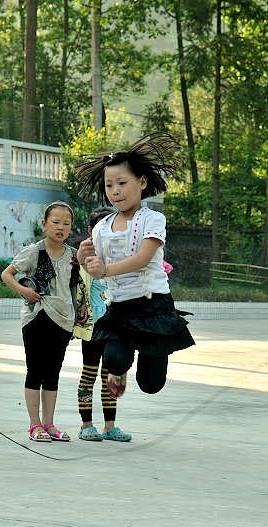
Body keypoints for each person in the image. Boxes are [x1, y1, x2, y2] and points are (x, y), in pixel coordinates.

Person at [74, 132, 195, 399]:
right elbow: (96, 264)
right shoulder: (102, 227)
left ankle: (153, 357)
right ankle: (118, 369)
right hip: (120, 307)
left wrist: (105, 270)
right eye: (108, 185)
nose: (115, 191)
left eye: (121, 183)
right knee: (115, 359)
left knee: (151, 384)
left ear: (141, 182)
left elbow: (143, 258)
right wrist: (84, 257)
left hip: (153, 305)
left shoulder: (153, 219)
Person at [1, 202, 82, 442]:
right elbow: (7, 274)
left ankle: (49, 424)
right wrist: (22, 290)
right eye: (55, 222)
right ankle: (34, 425)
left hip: (63, 318)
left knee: (53, 372)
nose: (61, 227)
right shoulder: (33, 252)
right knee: (35, 370)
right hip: (36, 316)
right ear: (44, 224)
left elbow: (76, 288)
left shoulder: (73, 256)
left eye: (66, 224)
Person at [73, 207, 131, 442]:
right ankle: (87, 425)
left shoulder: (122, 258)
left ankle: (110, 427)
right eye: (101, 228)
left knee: (112, 377)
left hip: (115, 328)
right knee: (89, 374)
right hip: (92, 328)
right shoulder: (82, 259)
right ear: (90, 231)